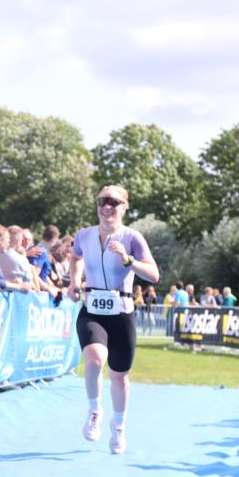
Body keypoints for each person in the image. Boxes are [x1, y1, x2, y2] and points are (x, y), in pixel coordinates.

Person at [67, 185, 159, 455]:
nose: (106, 206)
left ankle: (118, 427)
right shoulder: (83, 235)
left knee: (119, 377)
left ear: (124, 206)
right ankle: (95, 411)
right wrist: (74, 282)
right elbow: (75, 257)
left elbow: (154, 274)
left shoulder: (132, 238)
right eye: (101, 201)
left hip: (121, 311)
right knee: (94, 359)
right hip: (92, 310)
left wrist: (129, 260)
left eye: (113, 202)